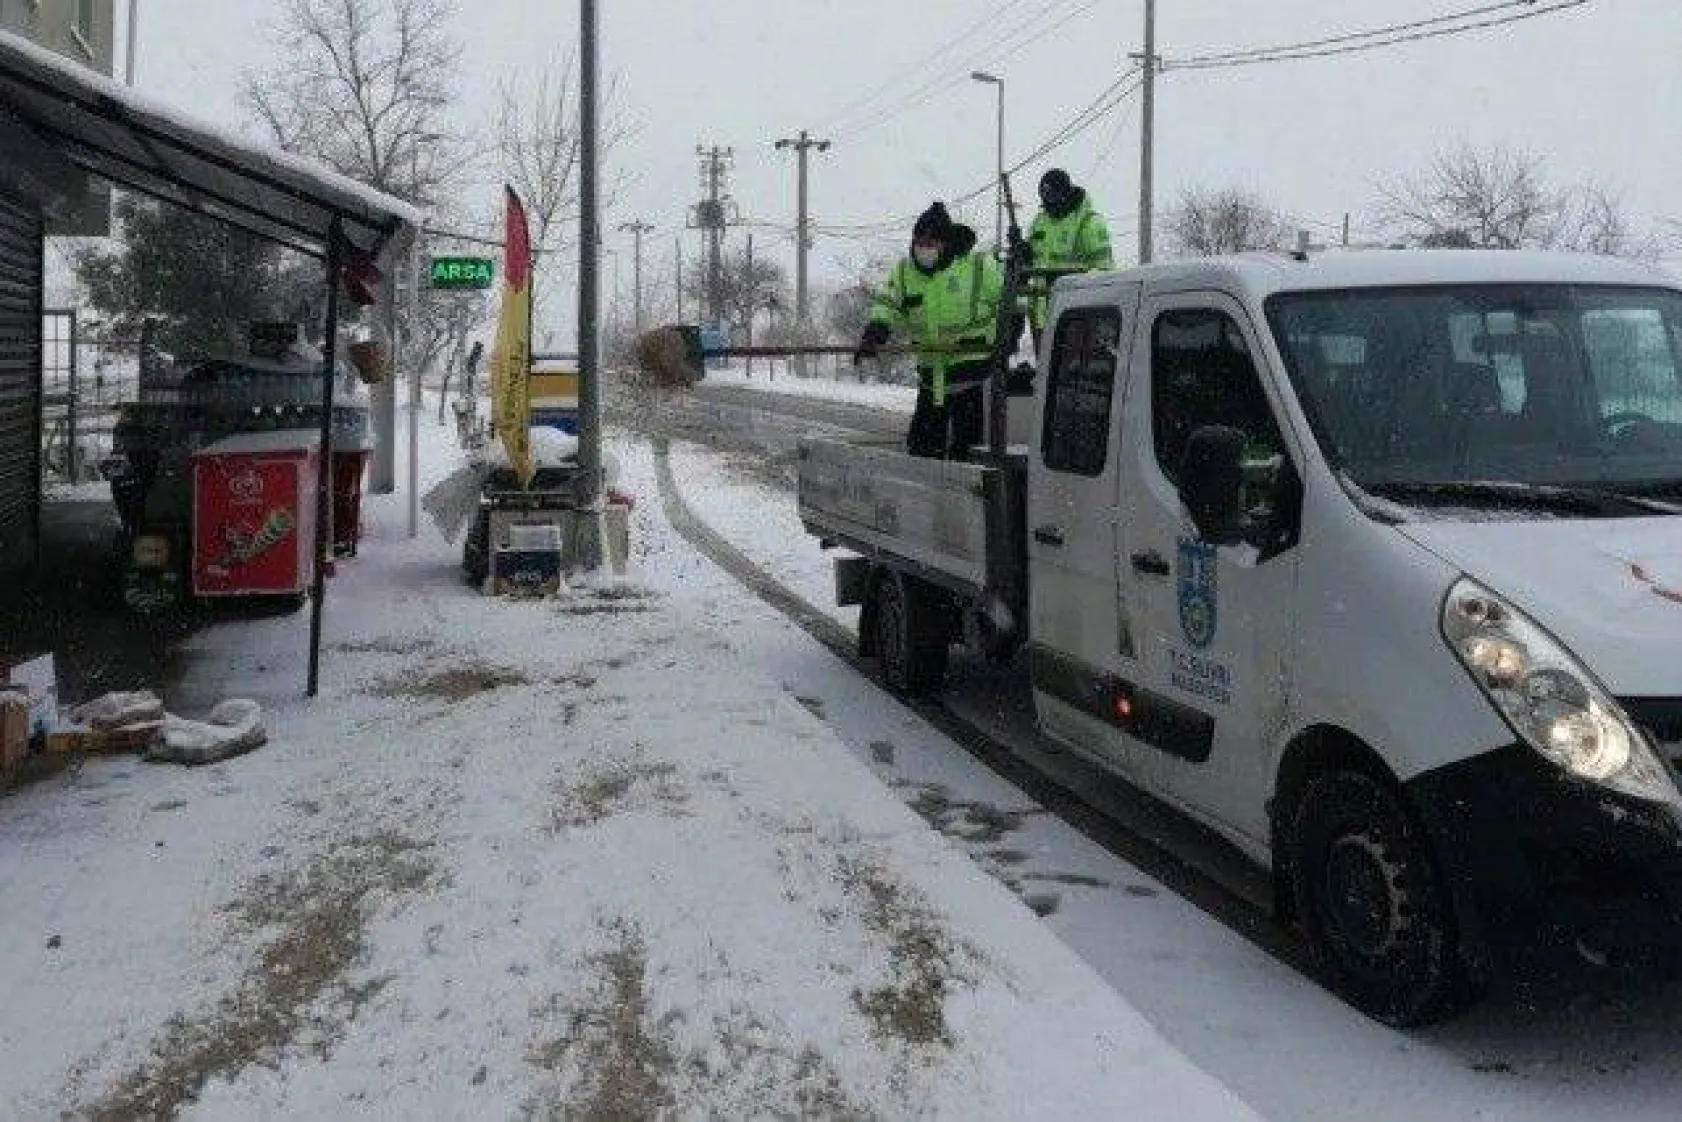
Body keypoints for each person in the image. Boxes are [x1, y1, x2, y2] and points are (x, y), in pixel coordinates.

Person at [854, 202, 1005, 459]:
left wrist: (1009, 334)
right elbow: (887, 305)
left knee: (968, 455)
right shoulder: (904, 272)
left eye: (931, 242)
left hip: (971, 374)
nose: (924, 248)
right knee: (923, 451)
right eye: (919, 241)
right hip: (931, 376)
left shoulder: (978, 267)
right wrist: (875, 332)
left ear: (946, 243)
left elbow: (1010, 302)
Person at [1024, 168, 1114, 335]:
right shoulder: (1040, 222)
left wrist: (1064, 279)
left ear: (1065, 194)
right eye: (1045, 200)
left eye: (1052, 198)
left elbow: (1104, 273)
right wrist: (1022, 252)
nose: (1049, 206)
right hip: (1042, 318)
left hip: (1075, 317)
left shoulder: (1088, 223)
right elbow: (1032, 263)